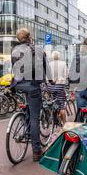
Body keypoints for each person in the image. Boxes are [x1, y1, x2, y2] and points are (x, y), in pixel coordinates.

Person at [11, 28, 53, 162]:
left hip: (18, 85)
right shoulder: (38, 49)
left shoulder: (15, 50)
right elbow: (46, 67)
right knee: (35, 118)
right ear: (30, 37)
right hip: (33, 85)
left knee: (29, 110)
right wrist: (50, 80)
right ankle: (36, 151)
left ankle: (25, 125)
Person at [47, 51, 68, 125]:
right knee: (62, 106)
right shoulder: (63, 63)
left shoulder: (49, 64)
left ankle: (54, 119)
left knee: (53, 102)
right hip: (59, 85)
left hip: (50, 86)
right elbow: (66, 75)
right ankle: (64, 124)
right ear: (59, 56)